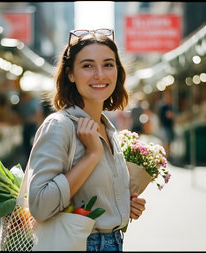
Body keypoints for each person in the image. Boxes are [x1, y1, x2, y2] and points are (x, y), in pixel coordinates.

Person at [27, 28, 146, 251]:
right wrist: (91, 155)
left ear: (118, 72)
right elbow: (39, 205)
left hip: (113, 242)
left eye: (108, 64)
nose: (100, 74)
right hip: (79, 244)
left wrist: (121, 206)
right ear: (70, 74)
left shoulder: (109, 128)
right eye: (87, 65)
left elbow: (90, 195)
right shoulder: (60, 126)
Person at [17, 91, 43, 160]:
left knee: (31, 144)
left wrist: (31, 119)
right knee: (26, 145)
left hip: (32, 126)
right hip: (26, 126)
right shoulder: (23, 104)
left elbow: (38, 113)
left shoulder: (33, 103)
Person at [157, 91, 174, 157]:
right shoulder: (163, 107)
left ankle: (167, 155)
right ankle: (165, 156)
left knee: (169, 142)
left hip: (169, 126)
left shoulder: (171, 106)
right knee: (166, 142)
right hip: (164, 126)